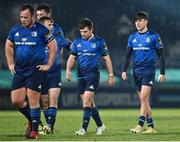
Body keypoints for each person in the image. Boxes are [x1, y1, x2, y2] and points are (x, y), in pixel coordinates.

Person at [5, 4, 57, 139]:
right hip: (20, 70)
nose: (23, 20)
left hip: (35, 70)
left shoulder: (41, 30)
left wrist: (49, 64)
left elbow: (53, 46)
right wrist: (10, 63)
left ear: (32, 16)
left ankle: (34, 132)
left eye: (26, 17)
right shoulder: (15, 30)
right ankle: (34, 121)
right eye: (21, 17)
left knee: (33, 101)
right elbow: (8, 45)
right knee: (16, 101)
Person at [66, 18, 115, 135]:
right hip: (80, 76)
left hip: (93, 75)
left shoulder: (99, 42)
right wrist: (68, 70)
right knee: (89, 103)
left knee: (87, 101)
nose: (83, 34)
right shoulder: (77, 42)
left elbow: (107, 58)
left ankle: (83, 129)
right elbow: (72, 57)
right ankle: (100, 125)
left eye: (85, 32)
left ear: (91, 29)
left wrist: (111, 75)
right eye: (81, 32)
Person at [121, 11, 166, 134]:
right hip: (136, 71)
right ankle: (151, 127)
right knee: (144, 101)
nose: (137, 23)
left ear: (146, 21)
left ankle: (140, 125)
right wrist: (124, 70)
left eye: (140, 20)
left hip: (148, 70)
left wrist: (162, 73)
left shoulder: (154, 36)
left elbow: (161, 56)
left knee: (143, 97)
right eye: (136, 21)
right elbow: (127, 56)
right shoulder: (132, 37)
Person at [36, 3, 71, 134]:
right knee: (44, 102)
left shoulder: (57, 31)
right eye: (37, 15)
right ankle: (40, 125)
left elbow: (67, 45)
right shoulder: (33, 32)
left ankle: (49, 126)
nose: (38, 17)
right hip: (39, 71)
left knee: (53, 99)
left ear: (49, 16)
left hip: (54, 70)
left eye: (42, 15)